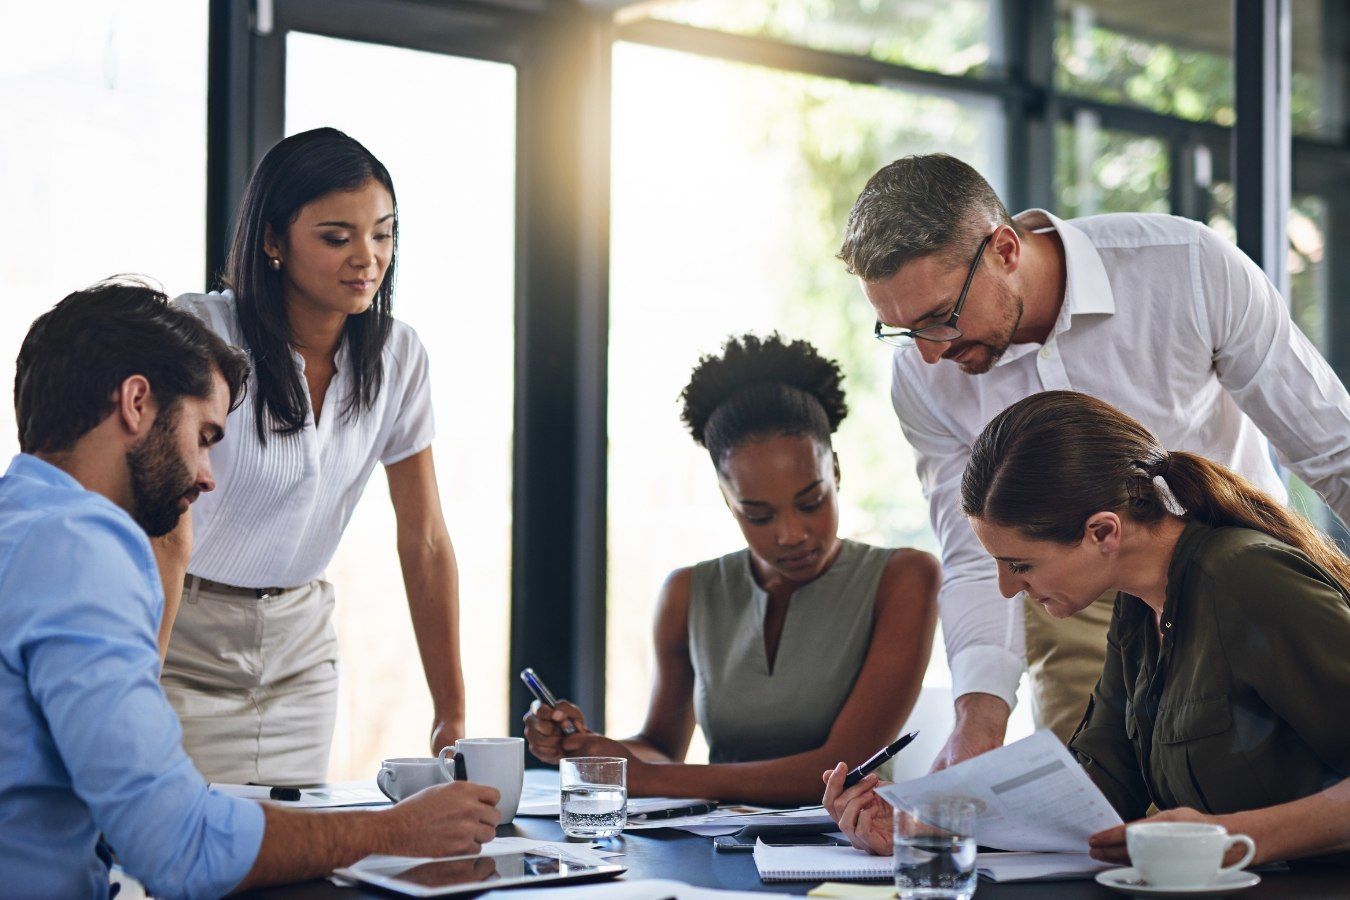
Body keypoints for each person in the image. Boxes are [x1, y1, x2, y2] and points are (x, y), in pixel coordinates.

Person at [838, 152, 1350, 768]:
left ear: (1004, 249)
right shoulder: (922, 376)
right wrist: (977, 725)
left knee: (1266, 785)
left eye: (939, 319)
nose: (926, 355)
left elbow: (1331, 447)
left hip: (1231, 573)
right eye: (899, 330)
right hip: (1064, 595)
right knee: (1085, 813)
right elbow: (977, 556)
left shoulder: (1185, 268)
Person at [0, 280, 500, 898]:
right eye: (206, 437)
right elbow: (180, 848)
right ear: (136, 402)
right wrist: (392, 830)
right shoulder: (82, 552)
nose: (208, 478)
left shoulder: (20, 525)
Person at [822, 391, 1350, 866]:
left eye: (1021, 565)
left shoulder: (1246, 579)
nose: (1008, 589)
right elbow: (1099, 789)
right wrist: (926, 828)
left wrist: (1232, 837)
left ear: (1103, 532)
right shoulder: (1138, 605)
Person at [156, 127, 466, 785]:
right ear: (273, 241)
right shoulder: (201, 332)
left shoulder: (397, 356)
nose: (368, 257)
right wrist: (139, 672)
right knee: (183, 863)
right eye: (337, 237)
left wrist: (451, 711)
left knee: (293, 859)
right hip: (183, 640)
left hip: (300, 648)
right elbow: (161, 522)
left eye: (383, 234)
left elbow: (426, 539)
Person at [523, 334, 939, 805]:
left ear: (836, 471)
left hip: (850, 852)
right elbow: (660, 750)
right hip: (715, 847)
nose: (791, 534)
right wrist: (594, 751)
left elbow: (840, 768)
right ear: (727, 500)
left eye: (811, 502)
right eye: (759, 515)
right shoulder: (688, 592)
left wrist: (647, 779)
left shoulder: (904, 578)